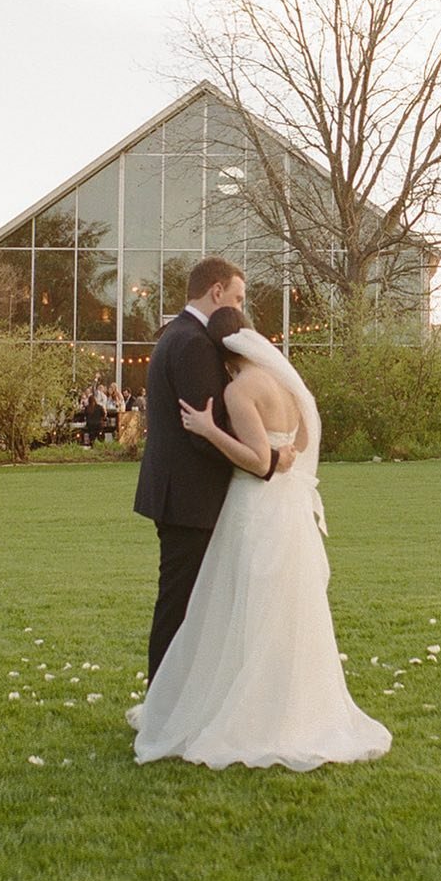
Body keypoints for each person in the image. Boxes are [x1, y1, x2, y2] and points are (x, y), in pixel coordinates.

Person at [130, 306, 391, 771]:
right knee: (287, 605)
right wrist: (285, 451)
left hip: (257, 506)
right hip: (290, 511)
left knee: (243, 604)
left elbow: (255, 461)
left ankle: (247, 711)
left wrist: (211, 431)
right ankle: (290, 704)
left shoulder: (239, 389)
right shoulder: (288, 386)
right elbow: (304, 440)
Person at [133, 256, 296, 682]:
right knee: (180, 606)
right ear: (216, 291)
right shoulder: (194, 343)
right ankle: (163, 705)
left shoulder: (178, 334)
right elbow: (204, 432)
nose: (239, 311)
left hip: (180, 494)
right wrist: (269, 460)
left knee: (187, 604)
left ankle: (173, 700)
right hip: (190, 498)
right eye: (238, 298)